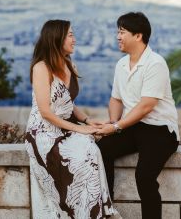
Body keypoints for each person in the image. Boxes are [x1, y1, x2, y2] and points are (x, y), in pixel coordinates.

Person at [25, 20, 117, 219]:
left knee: (91, 149)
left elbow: (68, 102)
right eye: (70, 36)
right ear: (57, 38)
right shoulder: (41, 68)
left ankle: (92, 211)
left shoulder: (69, 64)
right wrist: (80, 130)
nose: (74, 40)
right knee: (83, 153)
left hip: (65, 129)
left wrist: (86, 121)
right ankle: (75, 212)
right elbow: (46, 112)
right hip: (43, 134)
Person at [96, 12, 180, 219]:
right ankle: (107, 209)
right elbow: (116, 99)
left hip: (160, 130)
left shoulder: (155, 63)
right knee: (101, 150)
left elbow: (146, 106)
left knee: (144, 177)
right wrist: (113, 123)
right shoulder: (121, 64)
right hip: (133, 127)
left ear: (138, 36)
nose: (118, 36)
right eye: (118, 31)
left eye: (122, 32)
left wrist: (116, 127)